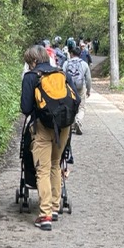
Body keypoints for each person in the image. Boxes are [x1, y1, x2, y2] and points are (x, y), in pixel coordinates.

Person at [21, 44, 74, 230]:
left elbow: (26, 108)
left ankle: (45, 216)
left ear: (34, 61)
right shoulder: (61, 73)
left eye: (29, 62)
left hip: (42, 127)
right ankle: (55, 207)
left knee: (42, 170)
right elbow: (76, 100)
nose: (28, 66)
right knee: (55, 164)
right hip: (64, 127)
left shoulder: (30, 77)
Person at [64, 39, 91, 134]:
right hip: (80, 87)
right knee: (81, 107)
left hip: (69, 88)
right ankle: (78, 120)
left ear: (71, 54)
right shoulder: (84, 64)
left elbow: (62, 76)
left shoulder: (66, 63)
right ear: (80, 54)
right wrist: (88, 90)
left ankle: (71, 125)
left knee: (70, 106)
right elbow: (88, 79)